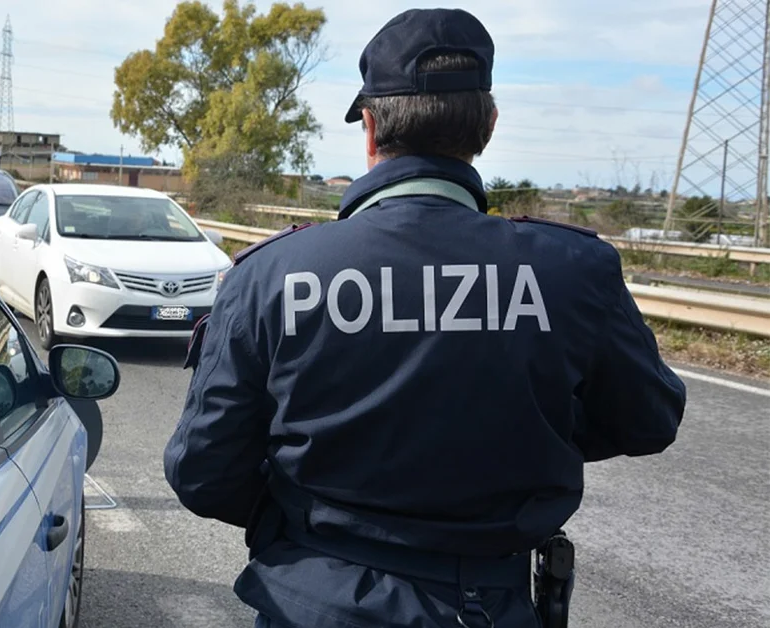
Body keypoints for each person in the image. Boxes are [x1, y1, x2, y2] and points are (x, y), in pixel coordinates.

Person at [163, 7, 687, 628]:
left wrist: (303, 513)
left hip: (312, 599)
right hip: (487, 604)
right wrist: (522, 432)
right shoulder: (573, 271)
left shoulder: (270, 275)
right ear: (488, 126)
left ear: (369, 127)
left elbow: (203, 471)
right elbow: (647, 420)